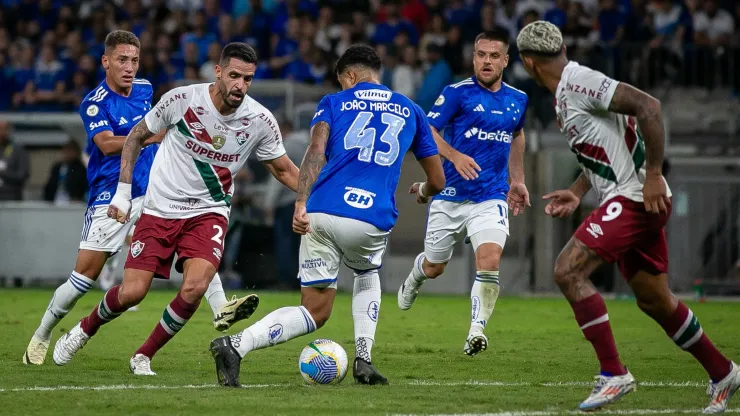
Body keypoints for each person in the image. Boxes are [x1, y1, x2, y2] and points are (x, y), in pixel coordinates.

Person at [516, 21, 740, 413]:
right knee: (655, 300)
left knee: (567, 270)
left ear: (528, 63)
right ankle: (724, 372)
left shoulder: (577, 81)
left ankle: (613, 373)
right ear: (562, 46)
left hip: (636, 198)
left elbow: (649, 106)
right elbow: (607, 147)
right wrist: (578, 190)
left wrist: (653, 174)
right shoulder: (568, 93)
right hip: (633, 199)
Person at [50, 42, 299, 375]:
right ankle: (84, 328)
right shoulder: (182, 100)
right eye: (235, 76)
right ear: (219, 71)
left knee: (194, 287)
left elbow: (284, 169)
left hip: (209, 212)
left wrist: (320, 197)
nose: (240, 85)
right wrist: (123, 193)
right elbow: (137, 136)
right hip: (160, 208)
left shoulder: (259, 120)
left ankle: (143, 355)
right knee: (133, 292)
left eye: (248, 79)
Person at [208, 44, 445, 387]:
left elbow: (316, 151)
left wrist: (301, 202)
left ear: (349, 76)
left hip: (321, 211)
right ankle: (364, 358)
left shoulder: (334, 102)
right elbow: (437, 180)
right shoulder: (411, 109)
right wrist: (423, 192)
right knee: (366, 272)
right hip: (370, 217)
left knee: (314, 311)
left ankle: (235, 345)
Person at [396, 29, 530, 357]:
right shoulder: (457, 93)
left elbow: (517, 135)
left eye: (494, 56)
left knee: (489, 260)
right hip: (451, 195)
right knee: (435, 266)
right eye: (481, 54)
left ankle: (476, 330)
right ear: (473, 58)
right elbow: (426, 129)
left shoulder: (518, 99)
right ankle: (415, 277)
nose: (486, 61)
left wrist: (518, 180)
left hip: (491, 195)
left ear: (505, 61)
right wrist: (453, 155)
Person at [43, 139, 88, 204]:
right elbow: (50, 183)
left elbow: (83, 184)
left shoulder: (80, 168)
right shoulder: (57, 166)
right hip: (56, 198)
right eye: (66, 151)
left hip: (73, 200)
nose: (68, 153)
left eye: (71, 151)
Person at [0, 120, 30, 201]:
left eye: (2, 129)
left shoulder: (18, 151)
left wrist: (3, 173)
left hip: (11, 199)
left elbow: (22, 176)